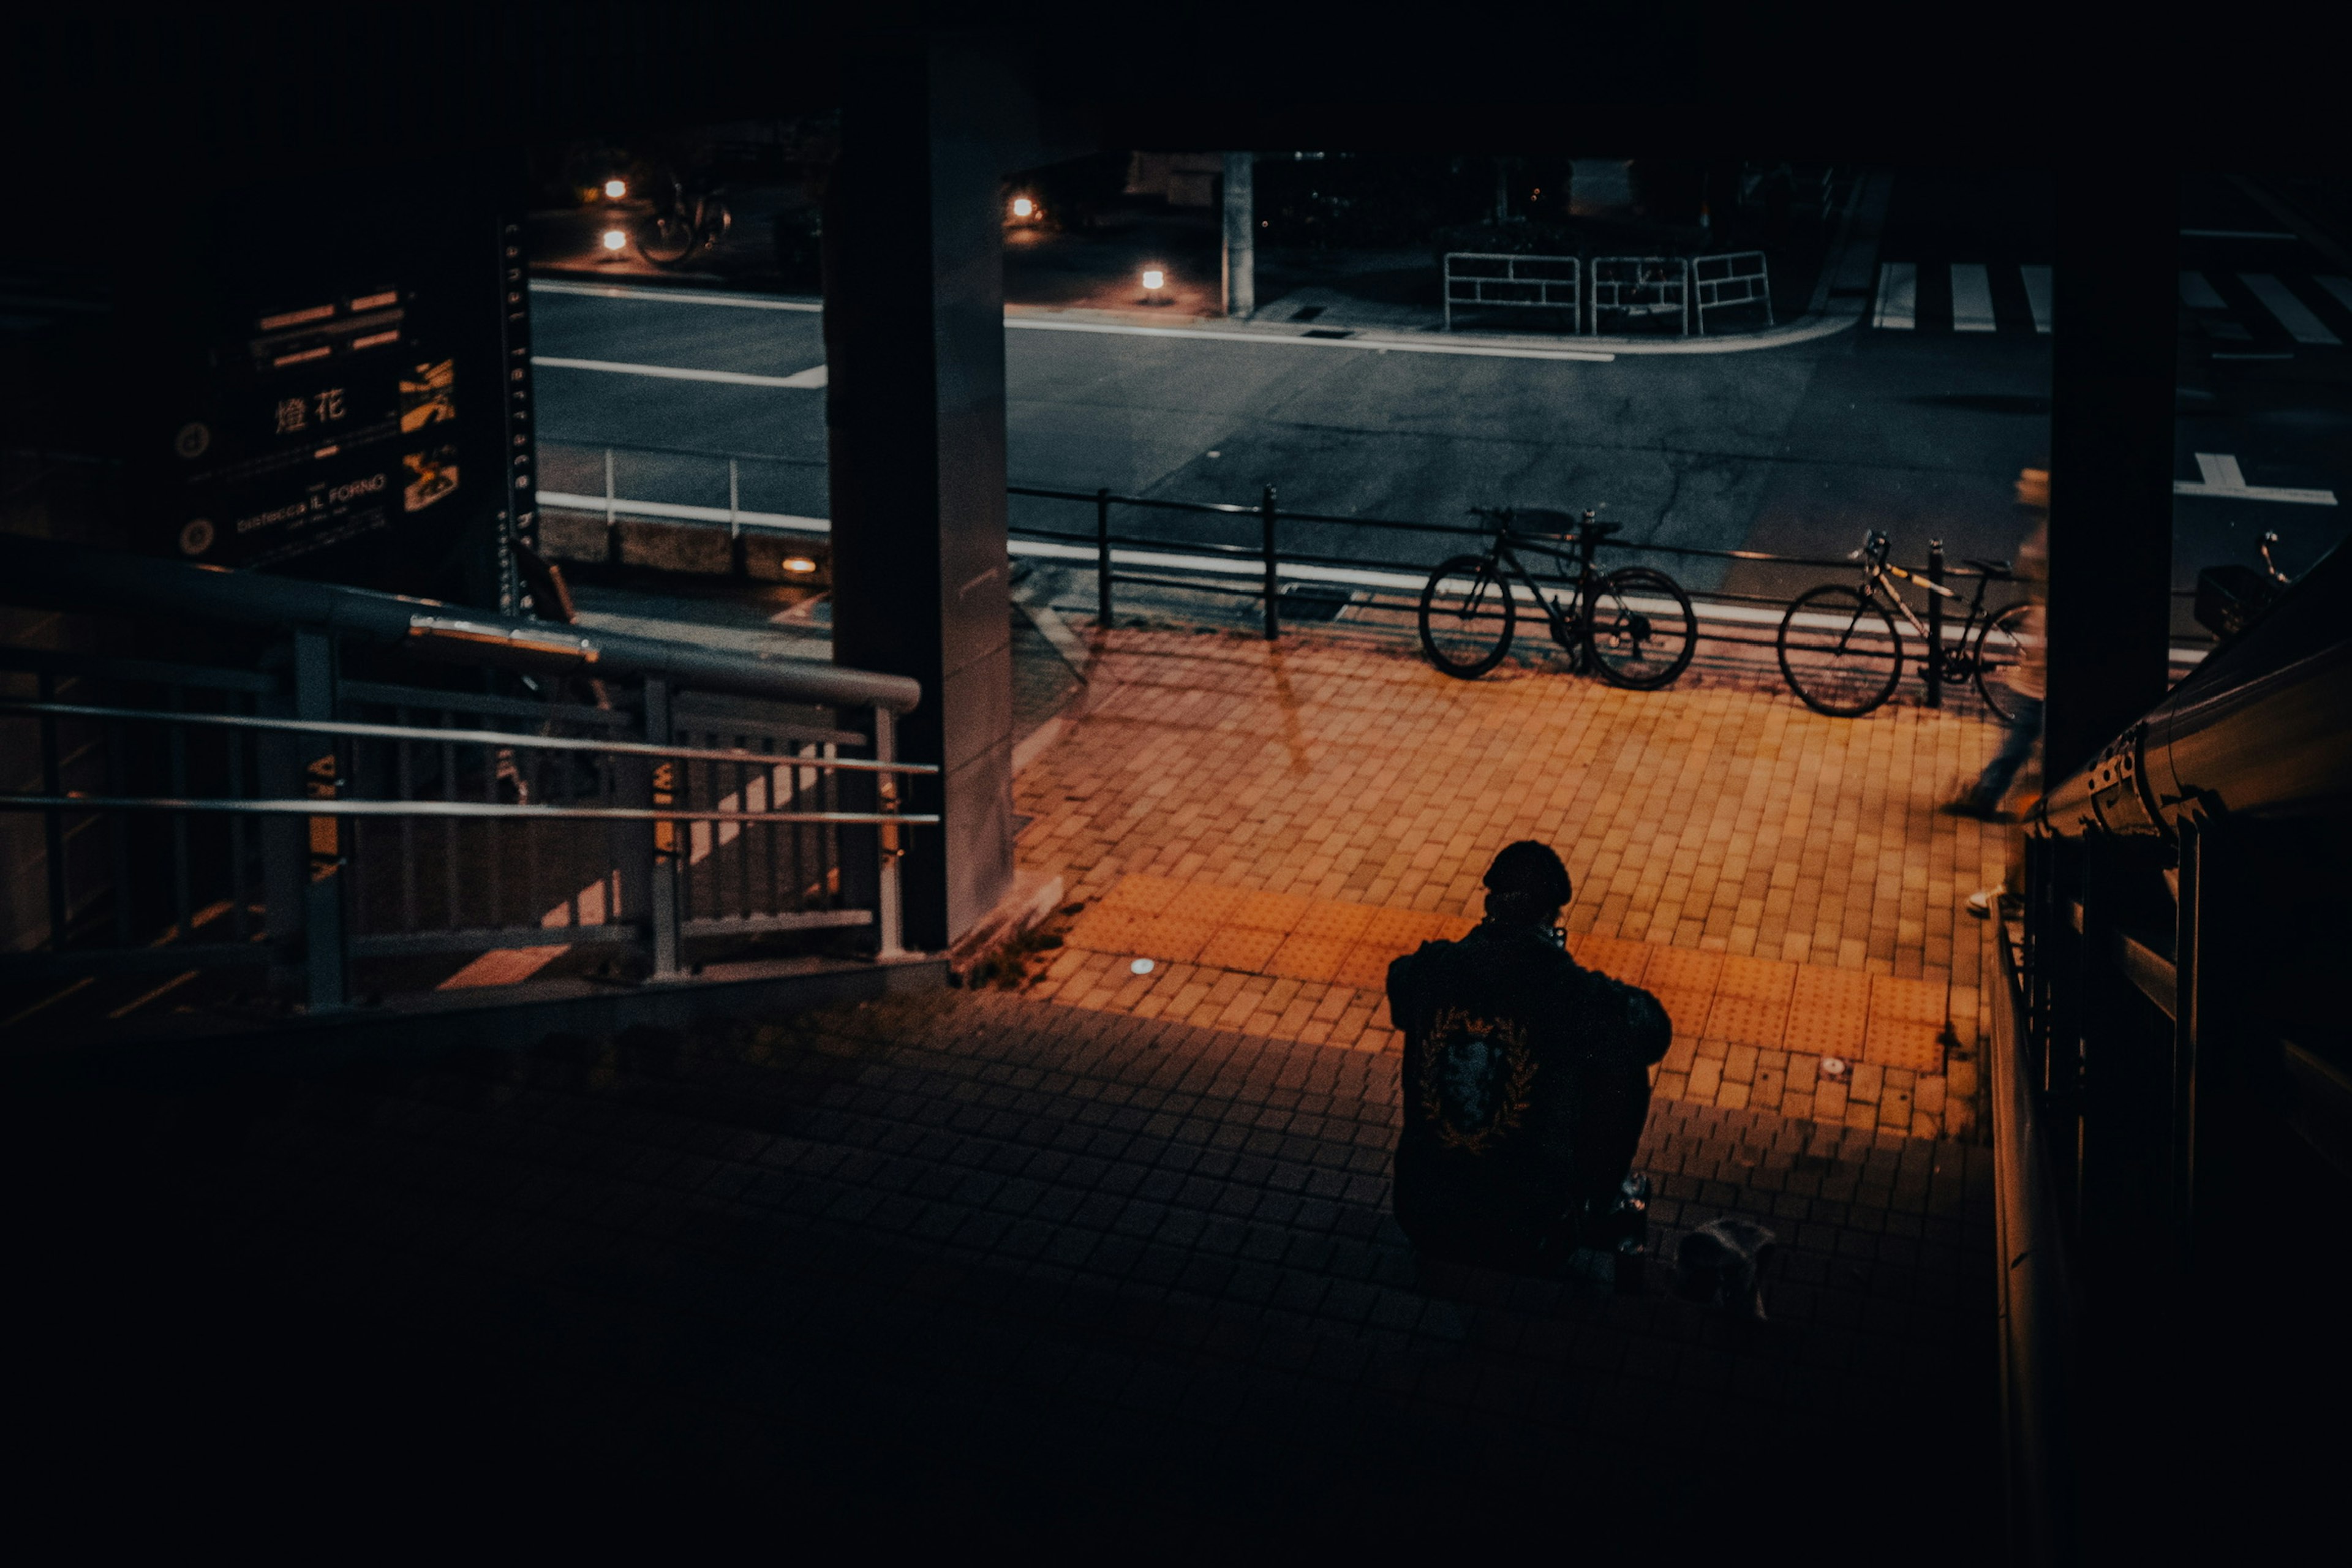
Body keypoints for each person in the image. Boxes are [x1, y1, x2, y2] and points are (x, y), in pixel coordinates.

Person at [1385, 840, 1670, 1272]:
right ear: (1547, 918)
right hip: (1525, 1234)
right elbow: (1653, 1031)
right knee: (1622, 1065)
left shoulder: (1432, 968)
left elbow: (1399, 983)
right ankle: (1599, 1201)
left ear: (1490, 906)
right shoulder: (1568, 990)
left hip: (1423, 1216)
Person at [1943, 469, 2049, 824]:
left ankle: (1991, 794)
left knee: (2024, 728)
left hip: (2043, 648)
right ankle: (1995, 791)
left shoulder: (2046, 537)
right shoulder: (2049, 533)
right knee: (2026, 728)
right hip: (2041, 643)